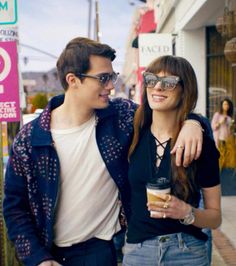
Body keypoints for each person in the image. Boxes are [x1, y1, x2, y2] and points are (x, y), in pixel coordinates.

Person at [3, 37, 205, 266]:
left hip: (102, 251)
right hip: (48, 254)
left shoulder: (121, 117)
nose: (111, 86)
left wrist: (193, 122)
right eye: (103, 78)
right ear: (73, 80)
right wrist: (38, 258)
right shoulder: (29, 140)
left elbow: (168, 112)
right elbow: (14, 208)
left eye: (112, 76)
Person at [123, 55, 221, 266]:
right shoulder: (131, 135)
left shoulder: (200, 145)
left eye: (169, 83)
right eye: (151, 79)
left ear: (184, 90)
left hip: (187, 252)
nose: (157, 87)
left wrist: (187, 213)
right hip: (139, 252)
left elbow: (215, 217)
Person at [211, 98, 235, 170]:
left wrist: (232, 127)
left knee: (225, 158)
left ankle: (223, 173)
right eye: (224, 104)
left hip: (226, 140)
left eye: (227, 104)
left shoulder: (229, 118)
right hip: (219, 139)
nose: (226, 106)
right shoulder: (217, 115)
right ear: (221, 105)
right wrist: (221, 122)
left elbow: (230, 131)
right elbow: (213, 127)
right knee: (218, 157)